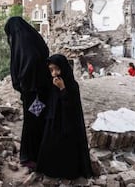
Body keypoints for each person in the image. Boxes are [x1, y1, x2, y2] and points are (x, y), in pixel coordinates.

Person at [35, 54, 93, 182]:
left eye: (57, 69)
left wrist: (62, 89)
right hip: (53, 122)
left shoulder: (72, 85)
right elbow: (46, 100)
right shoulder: (51, 84)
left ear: (64, 68)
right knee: (50, 147)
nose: (54, 73)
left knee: (67, 151)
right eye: (51, 70)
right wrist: (34, 111)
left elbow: (72, 107)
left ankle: (67, 174)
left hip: (68, 124)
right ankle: (50, 171)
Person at [4, 16, 51, 171]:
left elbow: (27, 62)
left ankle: (29, 157)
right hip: (42, 90)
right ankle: (38, 154)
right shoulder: (33, 39)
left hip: (33, 92)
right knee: (38, 121)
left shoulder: (22, 45)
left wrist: (24, 84)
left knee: (32, 123)